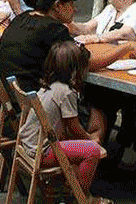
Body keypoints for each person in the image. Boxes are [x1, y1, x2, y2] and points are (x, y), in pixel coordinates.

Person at [0, 0, 135, 97]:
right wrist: (127, 47)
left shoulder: (21, 18)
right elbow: (89, 62)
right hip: (23, 114)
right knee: (99, 96)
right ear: (58, 5)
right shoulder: (52, 29)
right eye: (71, 4)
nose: (75, 9)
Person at [20, 41, 112, 202]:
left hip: (28, 143)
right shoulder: (66, 92)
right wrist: (92, 140)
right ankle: (81, 196)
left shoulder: (49, 85)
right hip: (43, 151)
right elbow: (74, 127)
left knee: (81, 146)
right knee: (92, 151)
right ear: (76, 70)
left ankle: (68, 187)